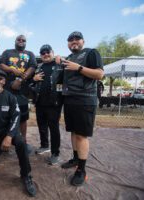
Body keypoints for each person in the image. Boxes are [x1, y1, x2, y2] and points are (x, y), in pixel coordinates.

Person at [60, 31, 104, 186]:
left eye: (77, 39)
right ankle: (75, 158)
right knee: (73, 132)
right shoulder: (69, 58)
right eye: (70, 40)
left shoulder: (91, 53)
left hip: (85, 100)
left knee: (81, 136)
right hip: (70, 100)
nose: (73, 41)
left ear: (83, 41)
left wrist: (78, 68)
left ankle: (81, 170)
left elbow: (99, 74)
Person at [0, 69, 37, 197]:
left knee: (20, 143)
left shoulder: (11, 97)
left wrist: (9, 136)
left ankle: (26, 175)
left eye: (0, 79)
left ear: (4, 81)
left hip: (8, 131)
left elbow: (16, 117)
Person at [0, 35, 37, 152]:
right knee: (4, 116)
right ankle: (4, 141)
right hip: (6, 91)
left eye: (23, 40)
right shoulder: (7, 52)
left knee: (22, 118)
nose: (21, 41)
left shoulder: (30, 54)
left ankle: (23, 142)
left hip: (22, 92)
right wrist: (11, 69)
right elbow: (1, 65)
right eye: (19, 40)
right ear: (15, 41)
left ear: (26, 42)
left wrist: (21, 79)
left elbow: (32, 67)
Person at [32, 44, 63, 165]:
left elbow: (64, 81)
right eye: (42, 52)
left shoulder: (60, 65)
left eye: (47, 52)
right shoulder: (39, 67)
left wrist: (60, 98)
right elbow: (31, 83)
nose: (45, 54)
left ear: (53, 52)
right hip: (40, 102)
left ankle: (55, 153)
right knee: (42, 126)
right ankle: (44, 146)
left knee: (54, 128)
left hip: (54, 103)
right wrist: (34, 79)